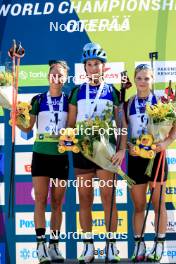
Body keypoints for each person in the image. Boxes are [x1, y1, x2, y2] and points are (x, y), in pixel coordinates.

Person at [68, 43, 127, 263]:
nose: (93, 68)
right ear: (85, 68)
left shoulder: (113, 91)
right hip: (83, 151)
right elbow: (70, 124)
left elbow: (121, 124)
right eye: (90, 64)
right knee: (84, 198)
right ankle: (88, 246)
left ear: (104, 68)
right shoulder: (76, 92)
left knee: (108, 197)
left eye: (97, 64)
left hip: (106, 151)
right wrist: (70, 139)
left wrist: (121, 149)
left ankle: (111, 245)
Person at [121, 64, 176, 262]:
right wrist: (129, 147)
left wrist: (166, 142)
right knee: (138, 206)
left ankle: (159, 244)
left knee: (158, 203)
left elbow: (173, 127)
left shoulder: (161, 101)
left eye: (147, 78)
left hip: (157, 157)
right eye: (139, 78)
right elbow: (124, 133)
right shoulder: (127, 104)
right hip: (136, 159)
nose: (143, 82)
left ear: (152, 80)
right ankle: (139, 244)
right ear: (134, 80)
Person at [16, 60, 69, 263]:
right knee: (40, 199)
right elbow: (28, 128)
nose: (57, 77)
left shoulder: (69, 100)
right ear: (48, 77)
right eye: (53, 74)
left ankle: (54, 246)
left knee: (57, 203)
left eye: (61, 74)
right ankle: (40, 245)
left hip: (61, 157)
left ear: (65, 79)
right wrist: (17, 118)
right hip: (40, 155)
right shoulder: (38, 99)